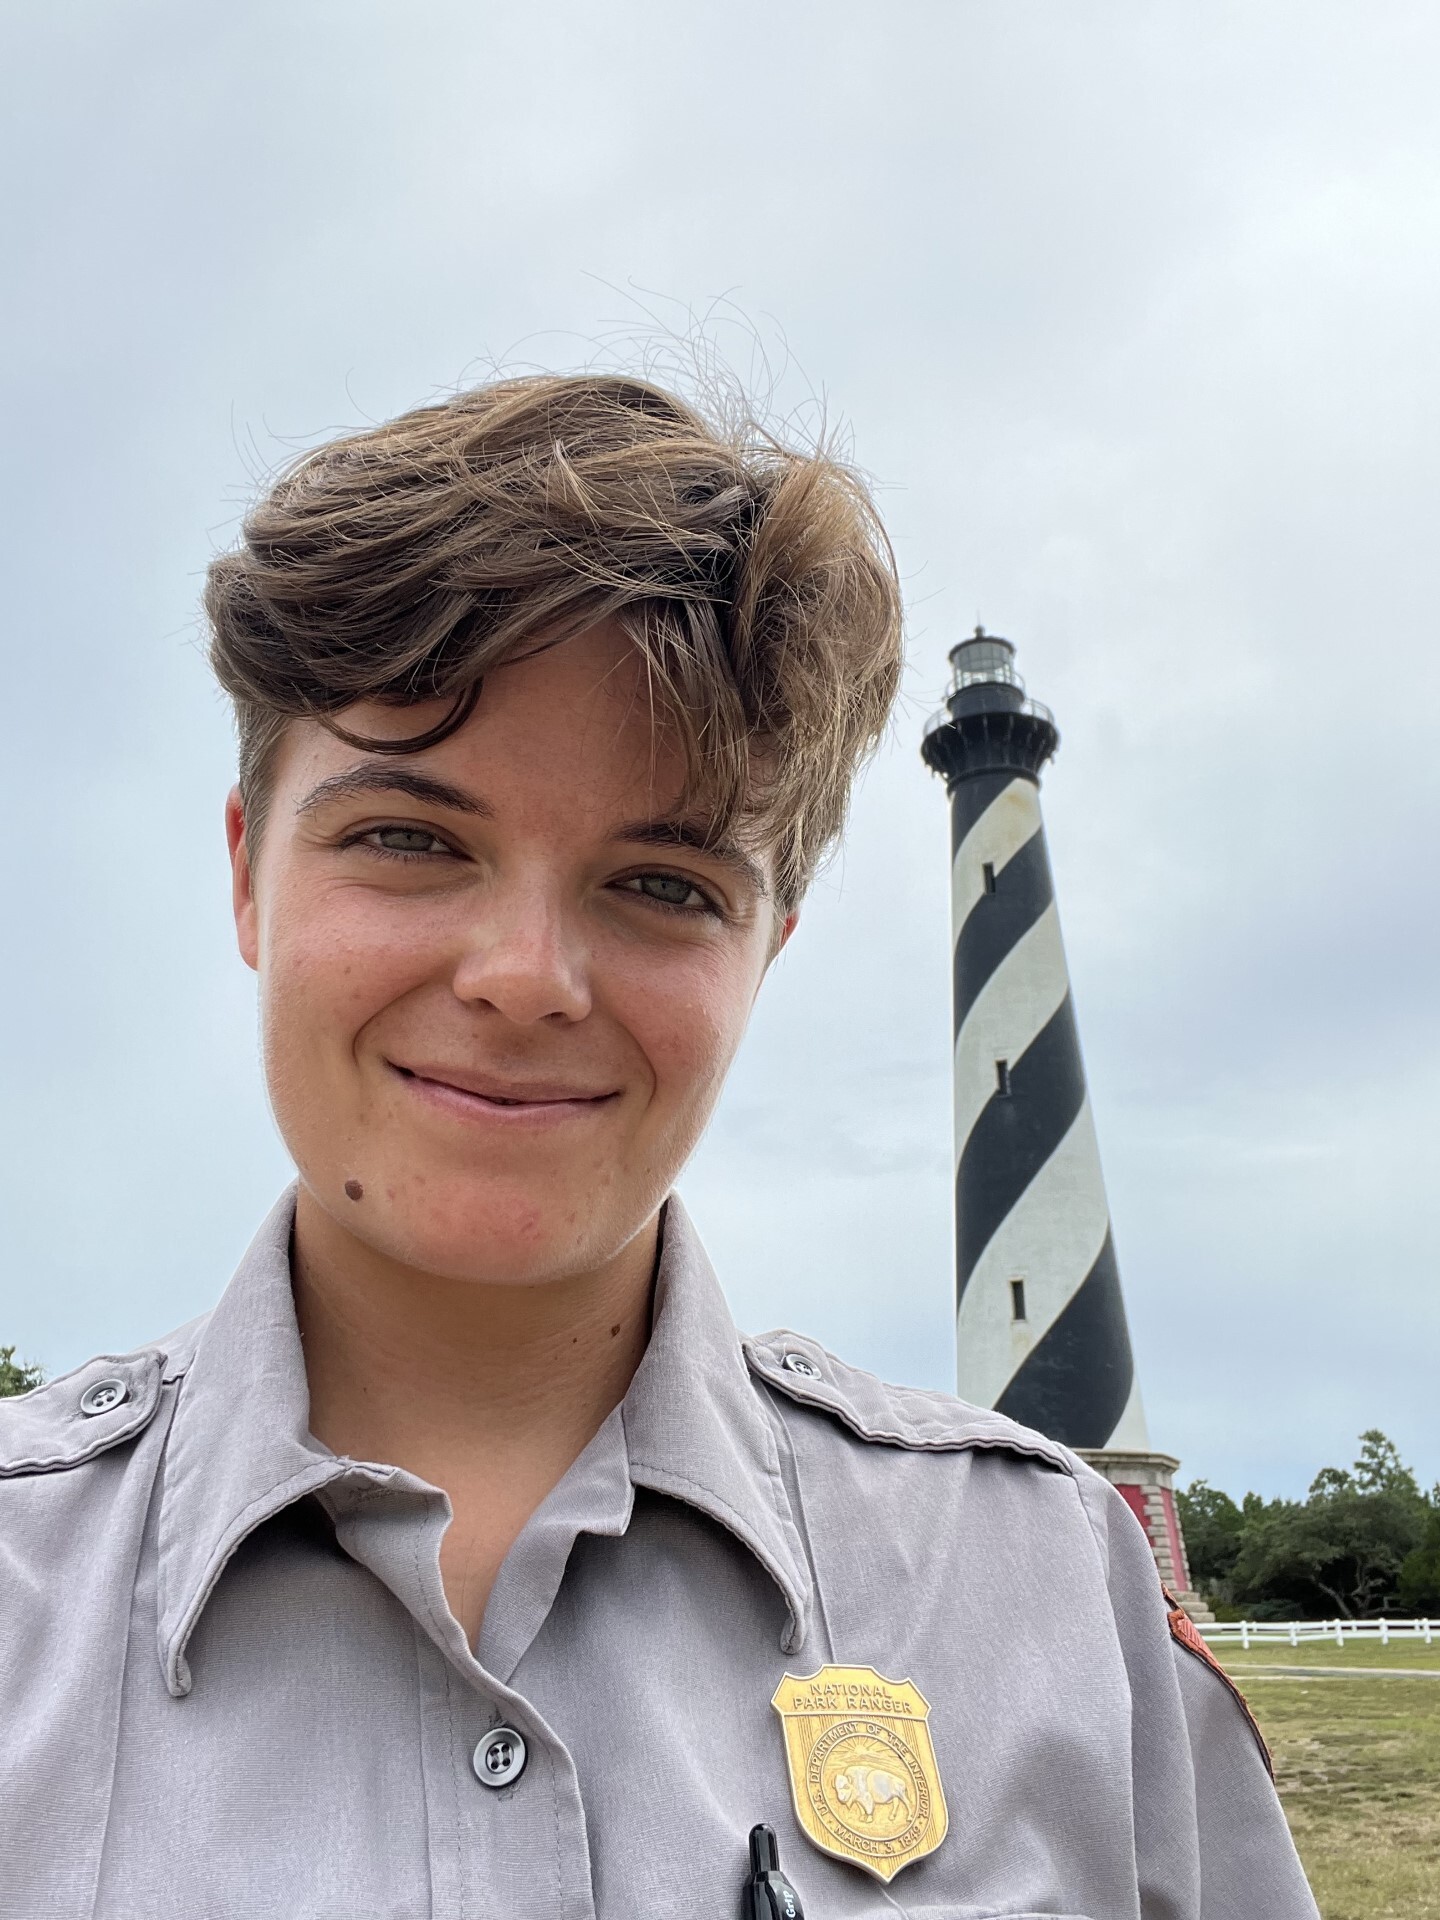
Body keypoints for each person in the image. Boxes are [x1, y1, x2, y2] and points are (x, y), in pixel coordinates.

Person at [0, 374, 1317, 1919]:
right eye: (410, 839)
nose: (522, 978)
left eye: (666, 884)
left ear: (772, 945)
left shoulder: (1054, 1596)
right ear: (248, 877)